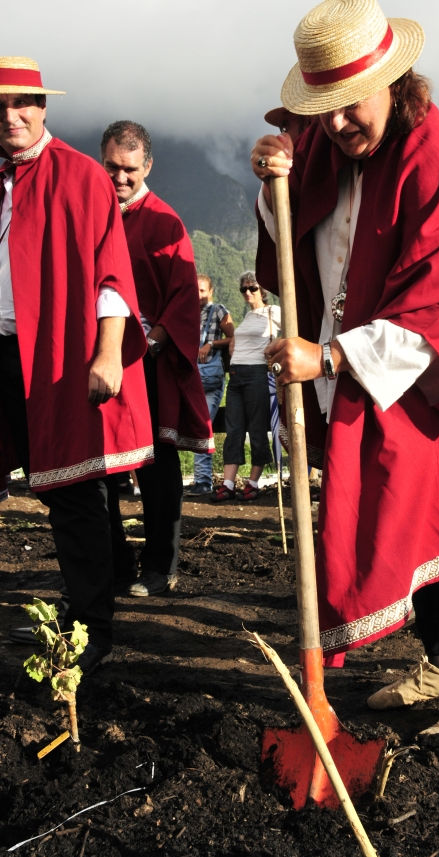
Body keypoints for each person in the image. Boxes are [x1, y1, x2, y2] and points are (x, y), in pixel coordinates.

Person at [251, 0, 439, 741]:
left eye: (352, 104)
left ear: (394, 83)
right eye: (324, 108)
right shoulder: (324, 147)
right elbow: (297, 233)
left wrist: (332, 356)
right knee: (406, 509)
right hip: (381, 369)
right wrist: (271, 179)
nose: (338, 122)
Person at [0, 57, 153, 672]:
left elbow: (111, 271)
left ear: (43, 107)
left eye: (22, 103)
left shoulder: (82, 176)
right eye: (0, 105)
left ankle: (91, 626)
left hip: (56, 354)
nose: (11, 116)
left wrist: (109, 352)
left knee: (72, 488)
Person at [100, 120, 213, 596]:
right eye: (112, 167)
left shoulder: (166, 222)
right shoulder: (92, 212)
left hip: (147, 360)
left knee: (155, 465)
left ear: (147, 166)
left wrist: (151, 344)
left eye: (129, 169)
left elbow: (184, 296)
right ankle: (113, 562)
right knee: (99, 465)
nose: (120, 177)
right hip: (97, 359)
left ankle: (160, 565)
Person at [212, 272, 280, 502]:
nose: (248, 292)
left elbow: (293, 330)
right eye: (244, 289)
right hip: (236, 375)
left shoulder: (273, 312)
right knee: (234, 429)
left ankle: (252, 483)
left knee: (257, 428)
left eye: (253, 288)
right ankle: (228, 484)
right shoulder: (250, 315)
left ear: (263, 290)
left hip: (257, 374)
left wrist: (275, 347)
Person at [186, 274, 234, 495]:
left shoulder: (218, 310)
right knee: (194, 427)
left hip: (211, 379)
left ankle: (203, 481)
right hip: (191, 378)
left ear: (211, 291)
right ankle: (200, 480)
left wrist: (211, 344)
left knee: (203, 426)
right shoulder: (188, 312)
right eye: (195, 290)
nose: (198, 295)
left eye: (202, 291)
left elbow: (234, 337)